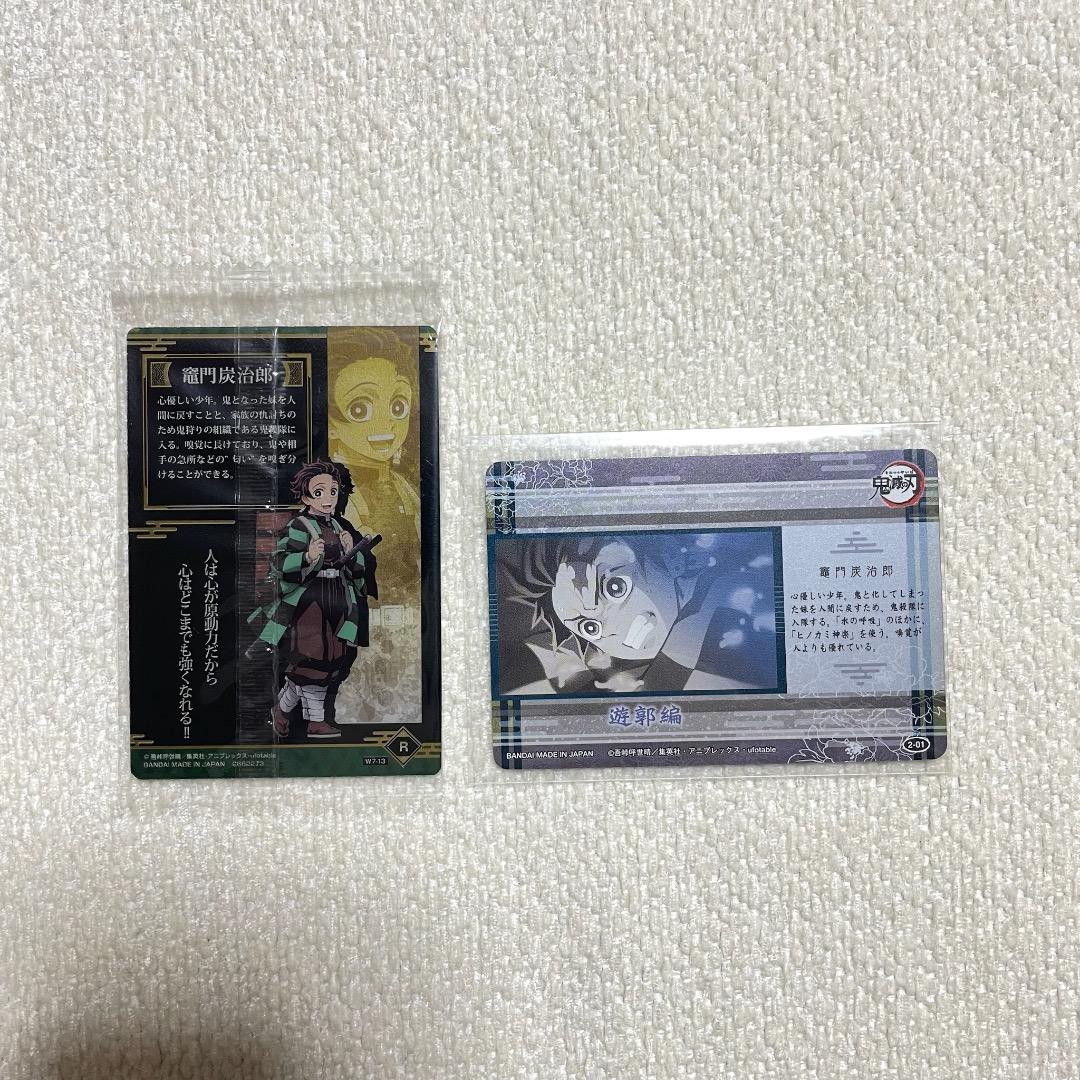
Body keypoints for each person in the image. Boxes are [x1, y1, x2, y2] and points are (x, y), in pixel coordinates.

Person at [495, 532, 778, 695]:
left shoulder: (734, 590)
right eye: (591, 628)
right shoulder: (652, 669)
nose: (616, 627)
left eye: (614, 588)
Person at [247, 460, 378, 739]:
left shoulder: (340, 526)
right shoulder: (299, 525)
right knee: (313, 658)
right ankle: (316, 722)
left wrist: (351, 552)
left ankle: (281, 710)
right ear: (306, 497)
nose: (328, 498)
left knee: (331, 658)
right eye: (319, 492)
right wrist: (307, 556)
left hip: (338, 599)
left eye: (333, 491)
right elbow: (279, 563)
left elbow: (357, 572)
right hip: (309, 604)